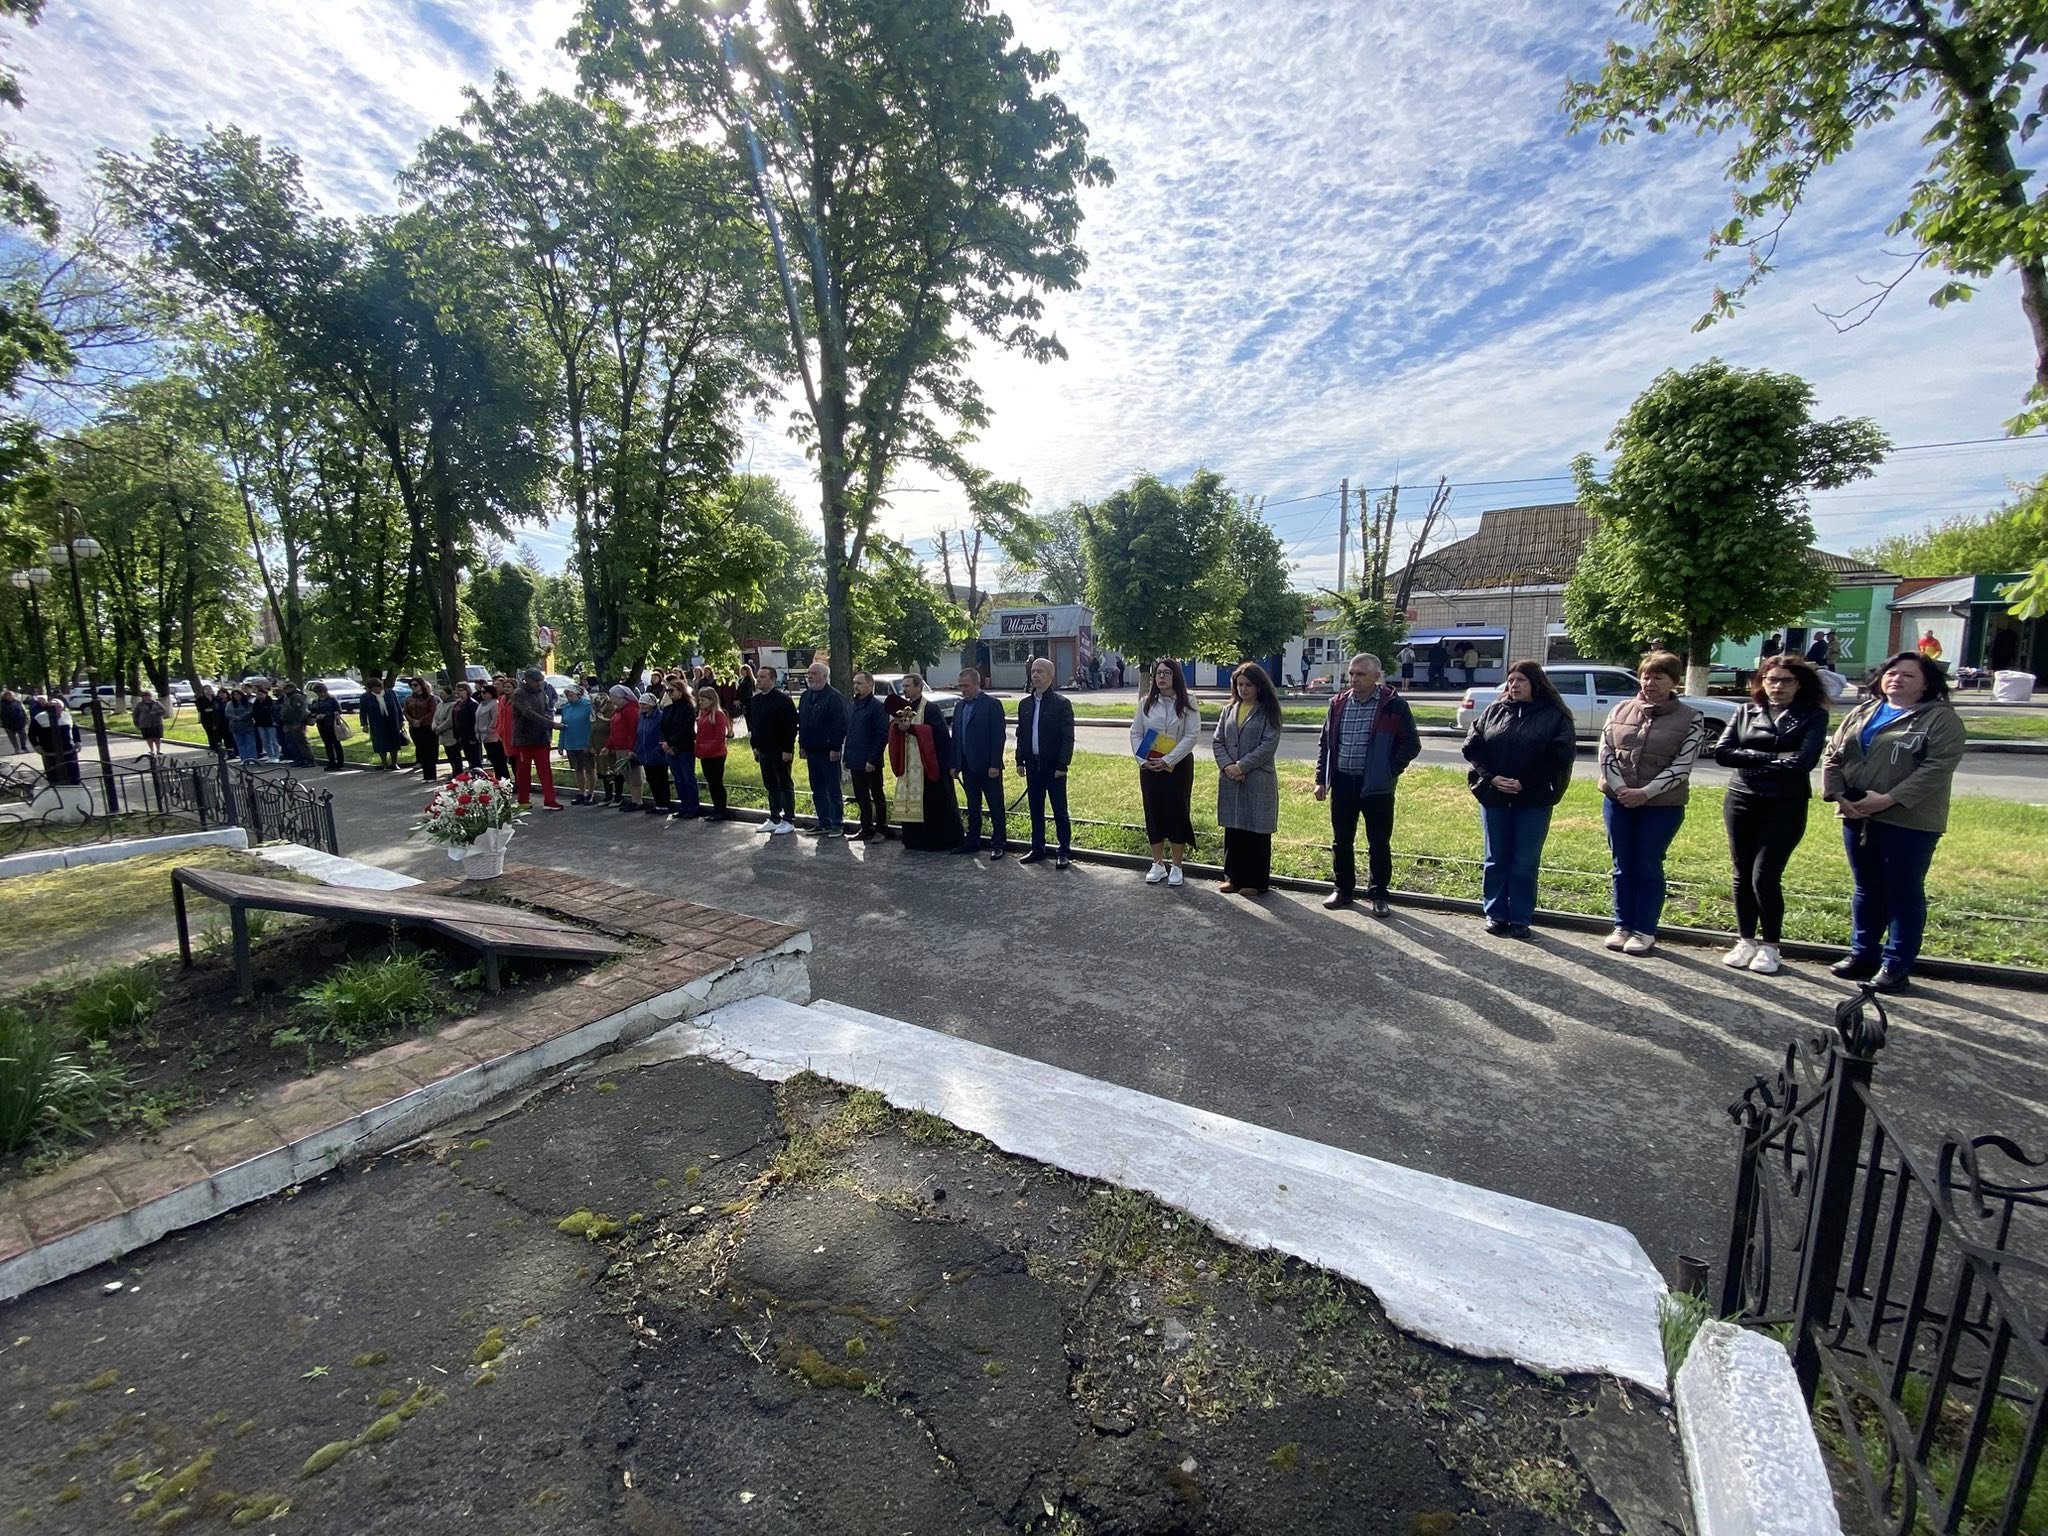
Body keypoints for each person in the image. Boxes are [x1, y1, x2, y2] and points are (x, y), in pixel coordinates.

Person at [1821, 651, 1966, 993]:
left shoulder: (1940, 719)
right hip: (1857, 815)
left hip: (1909, 820)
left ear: (1926, 684)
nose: (1896, 679)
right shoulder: (1864, 711)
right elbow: (1833, 755)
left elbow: (1937, 768)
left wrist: (1888, 800)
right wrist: (1839, 796)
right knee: (1866, 888)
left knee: (1903, 891)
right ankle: (1862, 954)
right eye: (1891, 673)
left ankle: (1896, 965)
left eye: (1908, 675)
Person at [1713, 656, 1830, 975]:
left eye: (1786, 680)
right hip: (1741, 798)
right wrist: (1774, 756)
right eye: (1771, 679)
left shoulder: (1813, 715)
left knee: (1764, 876)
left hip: (1784, 802)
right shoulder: (1745, 711)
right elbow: (1722, 753)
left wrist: (1750, 757)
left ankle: (1771, 946)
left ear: (1800, 684)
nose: (1777, 686)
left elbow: (1803, 762)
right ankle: (1745, 940)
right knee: (1741, 872)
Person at [1598, 651, 1704, 956]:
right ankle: (1622, 925)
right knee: (1621, 864)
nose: (1650, 683)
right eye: (1646, 676)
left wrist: (1645, 792)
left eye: (1659, 677)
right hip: (1618, 801)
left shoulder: (1691, 718)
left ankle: (1644, 929)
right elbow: (1606, 751)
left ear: (1674, 682)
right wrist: (1621, 789)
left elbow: (1683, 765)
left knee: (1647, 863)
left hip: (1661, 806)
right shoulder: (1620, 709)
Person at [1462, 659, 1576, 938]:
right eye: (1511, 680)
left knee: (1524, 860)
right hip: (1495, 796)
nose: (1514, 686)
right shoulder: (1494, 711)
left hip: (1533, 798)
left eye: (1521, 680)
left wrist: (1526, 781)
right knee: (1496, 858)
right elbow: (1473, 748)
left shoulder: (1555, 716)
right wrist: (1492, 778)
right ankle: (1495, 913)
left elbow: (1561, 756)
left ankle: (1520, 917)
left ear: (1536, 683)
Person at [1315, 652, 1421, 916]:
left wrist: (1388, 771)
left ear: (1377, 676)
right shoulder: (1337, 704)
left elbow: (1411, 744)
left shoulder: (1393, 706)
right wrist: (1321, 780)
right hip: (1343, 782)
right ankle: (1343, 890)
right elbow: (1326, 744)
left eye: (1360, 674)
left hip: (1377, 787)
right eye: (1351, 673)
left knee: (1379, 842)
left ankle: (1379, 894)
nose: (1354, 679)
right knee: (1341, 840)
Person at [1213, 661, 1282, 895]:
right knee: (1234, 829)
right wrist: (1228, 766)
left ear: (1259, 686)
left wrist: (1241, 766)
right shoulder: (1228, 710)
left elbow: (1268, 745)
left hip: (1257, 778)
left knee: (1256, 830)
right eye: (1239, 684)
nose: (1243, 689)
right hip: (1231, 779)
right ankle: (1233, 877)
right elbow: (1218, 741)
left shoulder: (1268, 711)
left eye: (1248, 685)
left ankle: (1256, 881)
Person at [1131, 658, 1201, 887]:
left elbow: (1192, 735)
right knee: (1154, 811)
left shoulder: (1188, 701)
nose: (1161, 677)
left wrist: (1168, 759)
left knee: (1177, 812)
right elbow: (1136, 733)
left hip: (1177, 767)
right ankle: (1157, 863)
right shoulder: (1146, 702)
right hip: (1150, 767)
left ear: (1176, 676)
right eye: (1158, 673)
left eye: (1167, 673)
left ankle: (1177, 866)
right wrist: (1143, 761)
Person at [888, 674, 963, 852]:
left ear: (919, 687)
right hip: (909, 764)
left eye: (908, 686)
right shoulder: (903, 709)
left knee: (934, 803)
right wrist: (896, 728)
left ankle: (939, 841)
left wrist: (913, 729)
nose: (904, 689)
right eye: (903, 686)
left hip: (929, 765)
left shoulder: (930, 708)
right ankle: (914, 840)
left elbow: (940, 734)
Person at [1015, 656, 1075, 867]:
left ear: (1051, 676)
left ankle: (1064, 851)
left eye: (1040, 671)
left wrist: (1062, 764)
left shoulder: (1061, 704)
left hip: (1053, 767)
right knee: (1036, 809)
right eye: (1033, 671)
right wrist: (1019, 760)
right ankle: (1037, 848)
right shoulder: (1025, 704)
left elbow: (1067, 737)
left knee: (1060, 811)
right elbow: (1021, 734)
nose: (1035, 675)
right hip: (1032, 766)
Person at [950, 665, 1007, 858]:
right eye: (960, 686)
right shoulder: (959, 706)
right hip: (967, 766)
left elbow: (998, 736)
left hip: (988, 766)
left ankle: (998, 843)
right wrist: (955, 764)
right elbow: (956, 737)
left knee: (995, 806)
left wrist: (995, 764)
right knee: (973, 806)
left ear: (977, 683)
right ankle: (972, 841)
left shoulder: (991, 704)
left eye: (966, 685)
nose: (963, 690)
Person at [797, 661, 849, 836]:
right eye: (809, 673)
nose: (810, 676)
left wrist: (835, 747)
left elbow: (840, 724)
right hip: (811, 750)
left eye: (814, 673)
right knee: (817, 788)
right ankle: (823, 821)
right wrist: (802, 745)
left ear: (825, 676)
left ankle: (837, 823)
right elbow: (802, 723)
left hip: (828, 751)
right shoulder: (806, 696)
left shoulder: (834, 697)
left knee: (832, 788)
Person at [746, 664, 799, 833]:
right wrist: (754, 746)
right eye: (758, 676)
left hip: (780, 750)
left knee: (784, 784)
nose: (758, 680)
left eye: (762, 677)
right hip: (763, 750)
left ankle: (789, 819)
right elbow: (754, 726)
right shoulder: (755, 700)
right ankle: (775, 817)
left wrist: (787, 750)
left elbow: (790, 727)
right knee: (770, 785)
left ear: (772, 680)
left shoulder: (783, 700)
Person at [844, 671, 891, 841]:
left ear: (870, 685)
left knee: (877, 795)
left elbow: (882, 735)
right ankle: (866, 828)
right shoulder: (853, 705)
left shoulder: (877, 707)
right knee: (861, 796)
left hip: (870, 761)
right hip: (855, 759)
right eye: (854, 683)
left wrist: (872, 759)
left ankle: (881, 829)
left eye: (860, 683)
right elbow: (850, 733)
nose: (856, 686)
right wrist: (846, 757)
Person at [508, 667, 564, 810]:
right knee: (523, 771)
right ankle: (523, 800)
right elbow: (528, 713)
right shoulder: (519, 693)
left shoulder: (541, 692)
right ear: (527, 680)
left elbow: (545, 710)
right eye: (536, 681)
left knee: (545, 771)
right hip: (524, 738)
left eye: (540, 681)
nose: (539, 683)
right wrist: (551, 724)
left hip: (541, 737)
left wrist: (548, 723)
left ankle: (550, 800)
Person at [661, 678, 701, 820]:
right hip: (670, 748)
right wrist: (666, 744)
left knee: (687, 778)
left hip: (684, 748)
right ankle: (684, 806)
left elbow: (686, 729)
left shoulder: (687, 707)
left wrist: (672, 743)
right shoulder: (668, 708)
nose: (669, 693)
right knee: (678, 779)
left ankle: (693, 807)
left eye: (671, 690)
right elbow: (663, 727)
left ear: (680, 691)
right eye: (667, 691)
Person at [693, 678, 729, 818]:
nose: (700, 702)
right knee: (711, 783)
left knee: (716, 782)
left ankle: (721, 810)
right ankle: (716, 808)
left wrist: (705, 748)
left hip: (716, 754)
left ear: (711, 700)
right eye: (700, 700)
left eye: (703, 700)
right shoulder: (703, 714)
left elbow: (720, 737)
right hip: (705, 754)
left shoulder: (718, 714)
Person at [605, 684, 643, 811]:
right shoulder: (618, 711)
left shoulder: (630, 710)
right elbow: (614, 730)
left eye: (612, 696)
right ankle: (634, 799)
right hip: (619, 747)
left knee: (634, 775)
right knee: (627, 775)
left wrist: (632, 749)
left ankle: (637, 801)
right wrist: (608, 746)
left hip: (628, 748)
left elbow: (633, 730)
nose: (610, 698)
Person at [557, 683, 596, 803]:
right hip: (571, 742)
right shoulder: (566, 708)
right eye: (567, 695)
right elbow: (563, 726)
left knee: (589, 769)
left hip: (584, 743)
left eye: (571, 694)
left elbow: (592, 726)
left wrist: (590, 743)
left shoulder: (588, 706)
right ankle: (581, 792)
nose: (569, 697)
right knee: (578, 769)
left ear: (578, 694)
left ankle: (591, 793)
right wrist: (561, 744)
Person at [634, 689, 672, 814]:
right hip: (645, 754)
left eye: (645, 704)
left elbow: (663, 734)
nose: (642, 706)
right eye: (641, 703)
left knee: (661, 780)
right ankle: (658, 804)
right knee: (652, 780)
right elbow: (639, 735)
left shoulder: (660, 717)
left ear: (652, 704)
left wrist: (658, 749)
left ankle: (665, 804)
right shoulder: (642, 717)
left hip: (658, 754)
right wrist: (637, 750)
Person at [30, 692, 80, 785]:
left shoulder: (67, 716)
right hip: (50, 752)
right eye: (53, 707)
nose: (56, 710)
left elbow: (74, 729)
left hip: (68, 751)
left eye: (58, 707)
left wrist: (78, 742)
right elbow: (32, 734)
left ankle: (75, 788)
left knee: (73, 775)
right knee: (54, 775)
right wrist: (36, 746)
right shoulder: (39, 718)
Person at [359, 675, 405, 770]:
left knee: (394, 741)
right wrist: (364, 724)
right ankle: (384, 764)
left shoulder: (390, 693)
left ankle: (394, 763)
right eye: (373, 688)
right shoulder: (365, 697)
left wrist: (401, 720)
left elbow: (398, 707)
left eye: (377, 687)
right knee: (380, 742)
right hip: (377, 722)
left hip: (392, 721)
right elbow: (363, 712)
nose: (376, 689)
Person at [404, 677, 441, 782]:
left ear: (421, 685)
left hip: (427, 727)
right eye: (411, 685)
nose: (413, 687)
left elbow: (432, 711)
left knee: (430, 751)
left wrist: (420, 720)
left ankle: (431, 775)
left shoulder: (430, 698)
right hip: (415, 727)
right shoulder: (409, 698)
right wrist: (412, 721)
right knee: (421, 750)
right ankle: (426, 775)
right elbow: (406, 711)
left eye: (415, 685)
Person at [308, 681, 345, 770]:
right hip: (321, 725)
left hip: (332, 724)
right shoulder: (316, 701)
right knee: (327, 744)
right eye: (317, 692)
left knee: (336, 743)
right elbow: (312, 711)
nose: (320, 694)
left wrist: (326, 715)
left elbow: (339, 711)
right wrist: (315, 715)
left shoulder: (331, 699)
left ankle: (340, 763)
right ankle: (331, 762)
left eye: (321, 692)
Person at [475, 683, 509, 779]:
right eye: (481, 692)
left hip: (494, 737)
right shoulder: (481, 704)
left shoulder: (495, 704)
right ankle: (498, 779)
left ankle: (504, 779)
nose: (482, 694)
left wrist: (489, 730)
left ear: (491, 693)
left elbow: (495, 719)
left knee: (499, 761)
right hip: (484, 736)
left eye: (485, 692)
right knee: (493, 761)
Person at [277, 684, 314, 767]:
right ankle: (299, 759)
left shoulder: (297, 697)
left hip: (296, 723)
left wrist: (299, 722)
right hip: (288, 722)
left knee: (302, 742)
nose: (285, 690)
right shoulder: (287, 697)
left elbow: (301, 711)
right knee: (293, 743)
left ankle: (309, 760)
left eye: (287, 688)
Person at [448, 682, 480, 775]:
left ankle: (478, 776)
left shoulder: (472, 703)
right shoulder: (458, 703)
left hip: (471, 735)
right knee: (468, 758)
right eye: (457, 690)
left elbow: (475, 721)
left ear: (467, 691)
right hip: (461, 735)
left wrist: (473, 737)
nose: (458, 692)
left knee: (475, 759)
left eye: (461, 690)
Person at [131, 688, 169, 759]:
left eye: (148, 695)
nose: (146, 697)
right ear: (142, 697)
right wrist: (136, 723)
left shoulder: (156, 703)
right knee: (149, 738)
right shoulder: (140, 705)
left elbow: (163, 711)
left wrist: (155, 712)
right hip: (145, 723)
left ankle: (158, 750)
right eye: (144, 696)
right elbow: (135, 714)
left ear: (151, 696)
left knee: (157, 737)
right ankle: (152, 750)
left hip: (157, 723)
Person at [224, 687, 259, 763]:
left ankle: (252, 758)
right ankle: (244, 759)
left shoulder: (247, 703)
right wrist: (235, 717)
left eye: (238, 694)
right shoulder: (229, 704)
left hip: (247, 725)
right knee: (240, 744)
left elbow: (250, 712)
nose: (236, 696)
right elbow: (227, 713)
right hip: (235, 726)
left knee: (250, 743)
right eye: (234, 695)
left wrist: (241, 717)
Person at [194, 683, 228, 755]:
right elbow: (201, 709)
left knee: (219, 734)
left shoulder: (216, 699)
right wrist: (208, 710)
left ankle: (220, 748)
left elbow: (219, 708)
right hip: (207, 720)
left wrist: (213, 709)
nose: (208, 691)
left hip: (217, 719)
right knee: (211, 734)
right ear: (203, 691)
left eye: (209, 689)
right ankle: (213, 749)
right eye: (206, 689)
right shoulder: (200, 699)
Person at [251, 682, 281, 761]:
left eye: (261, 694)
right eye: (258, 694)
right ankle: (270, 755)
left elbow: (272, 712)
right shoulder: (256, 703)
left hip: (270, 723)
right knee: (265, 741)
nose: (259, 696)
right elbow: (254, 712)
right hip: (260, 724)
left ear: (265, 694)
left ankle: (276, 756)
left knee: (273, 740)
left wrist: (275, 721)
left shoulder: (270, 702)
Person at [4, 688, 31, 754]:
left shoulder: (18, 702)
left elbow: (23, 710)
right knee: (12, 738)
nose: (9, 697)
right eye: (7, 695)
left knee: (23, 736)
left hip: (20, 722)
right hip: (8, 723)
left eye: (10, 695)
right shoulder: (2, 704)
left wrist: (26, 718)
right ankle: (16, 749)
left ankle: (24, 748)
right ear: (5, 696)